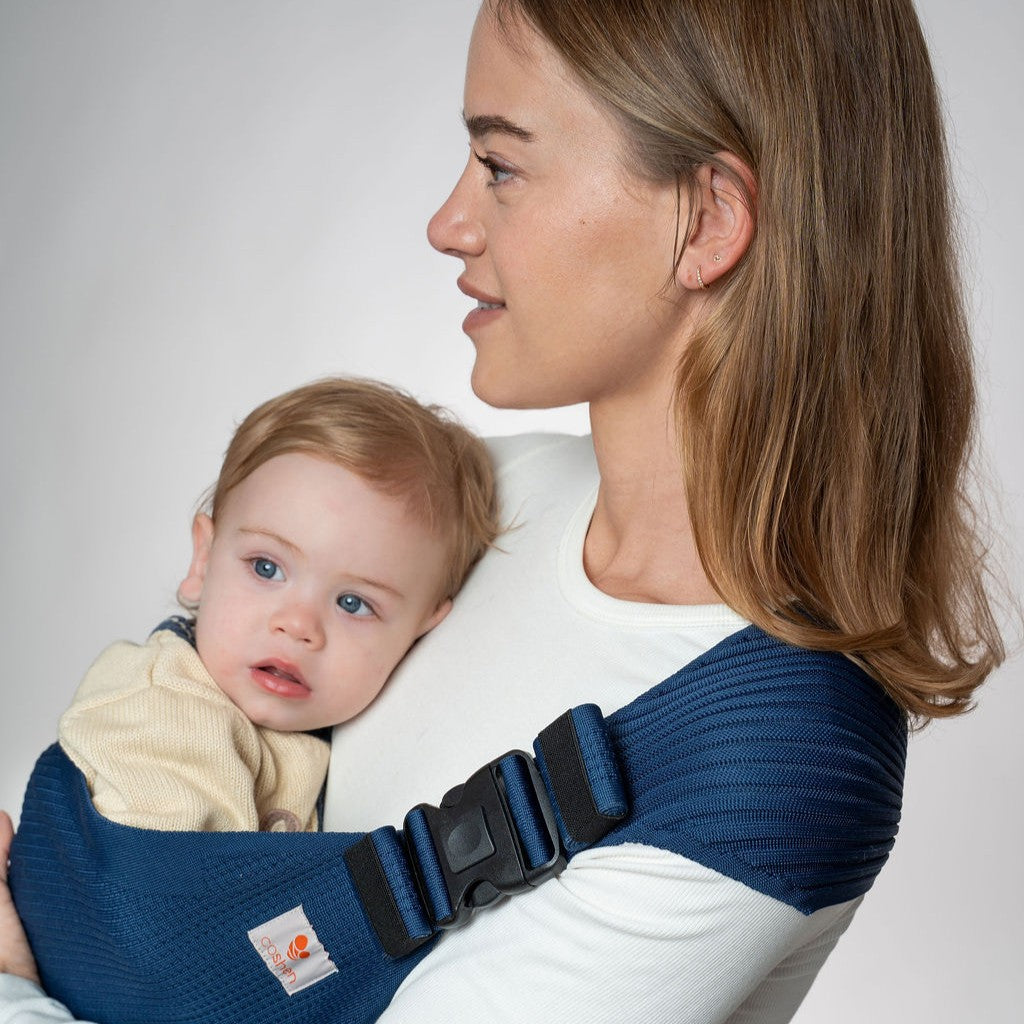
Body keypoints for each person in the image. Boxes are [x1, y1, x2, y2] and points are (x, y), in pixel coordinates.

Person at [0, 0, 1006, 1022]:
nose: (450, 223)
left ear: (704, 220)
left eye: (501, 166)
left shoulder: (760, 763)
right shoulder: (493, 497)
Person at [15, 375, 498, 840]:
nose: (296, 625)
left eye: (353, 603)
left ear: (422, 629)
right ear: (203, 560)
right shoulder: (163, 708)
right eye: (266, 568)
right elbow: (173, 904)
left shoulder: (332, 746)